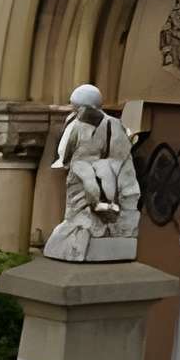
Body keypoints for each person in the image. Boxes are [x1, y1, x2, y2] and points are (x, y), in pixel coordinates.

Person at [42, 82, 142, 261]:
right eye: (75, 106)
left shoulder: (112, 125)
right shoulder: (73, 121)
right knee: (78, 210)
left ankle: (105, 226)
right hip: (79, 175)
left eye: (79, 106)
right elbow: (66, 152)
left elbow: (119, 157)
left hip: (103, 172)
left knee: (99, 196)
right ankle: (81, 229)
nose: (76, 110)